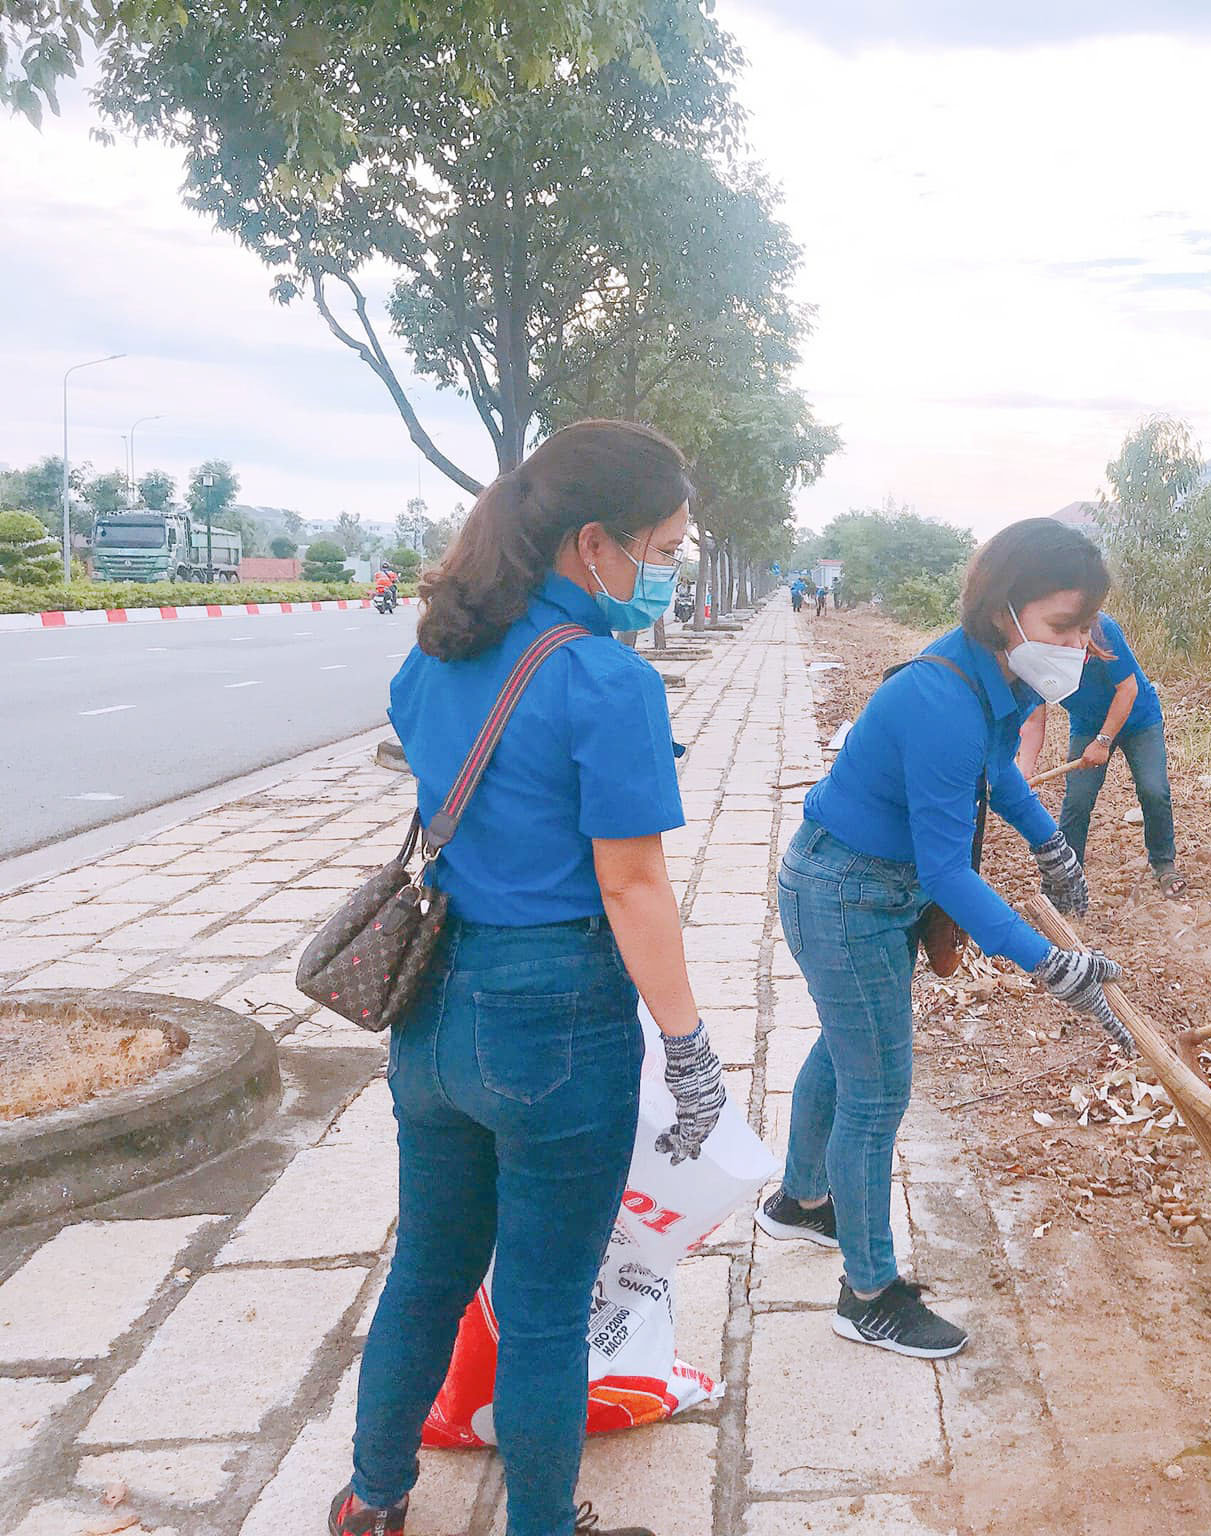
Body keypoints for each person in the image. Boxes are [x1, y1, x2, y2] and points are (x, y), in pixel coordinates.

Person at [331, 421, 725, 1536]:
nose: (667, 572)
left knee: (428, 1269)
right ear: (591, 544)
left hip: (432, 1005)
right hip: (553, 1023)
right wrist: (691, 1055)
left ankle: (373, 1499)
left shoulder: (435, 655)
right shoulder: (606, 681)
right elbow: (634, 890)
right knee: (549, 1308)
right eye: (662, 548)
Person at [755, 517, 1131, 1358]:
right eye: (1064, 626)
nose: (1077, 645)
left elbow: (998, 771)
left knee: (848, 1050)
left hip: (867, 887)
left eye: (1086, 628)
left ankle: (801, 1202)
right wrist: (1052, 966)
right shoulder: (939, 698)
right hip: (847, 892)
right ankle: (868, 1292)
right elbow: (949, 874)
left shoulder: (989, 671)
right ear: (1008, 611)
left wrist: (1049, 841)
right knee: (879, 1091)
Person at [1015, 611, 1184, 898]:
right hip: (1087, 724)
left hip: (1139, 719)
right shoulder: (1033, 655)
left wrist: (1103, 742)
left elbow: (1127, 689)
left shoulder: (1100, 628)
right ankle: (1066, 876)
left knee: (1154, 789)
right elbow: (1033, 721)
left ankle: (1163, 862)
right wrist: (1024, 770)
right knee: (1077, 800)